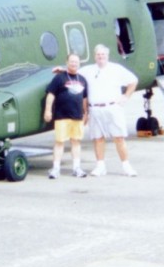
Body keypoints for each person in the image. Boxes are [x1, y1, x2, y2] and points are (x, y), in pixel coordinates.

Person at [79, 44, 139, 177]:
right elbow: (73, 73)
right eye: (98, 54)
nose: (101, 57)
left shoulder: (116, 69)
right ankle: (100, 166)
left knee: (119, 138)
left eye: (103, 54)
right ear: (94, 56)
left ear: (107, 56)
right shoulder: (88, 70)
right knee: (98, 138)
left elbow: (133, 81)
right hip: (95, 109)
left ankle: (126, 166)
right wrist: (61, 70)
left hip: (112, 108)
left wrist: (126, 96)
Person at [43, 53, 89, 179]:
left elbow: (84, 98)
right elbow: (51, 94)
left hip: (77, 117)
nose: (74, 64)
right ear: (67, 63)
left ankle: (76, 168)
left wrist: (86, 113)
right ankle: (56, 169)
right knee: (59, 142)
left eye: (76, 62)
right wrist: (48, 110)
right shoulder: (59, 78)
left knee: (76, 142)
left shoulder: (83, 79)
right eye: (71, 61)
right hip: (62, 116)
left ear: (79, 64)